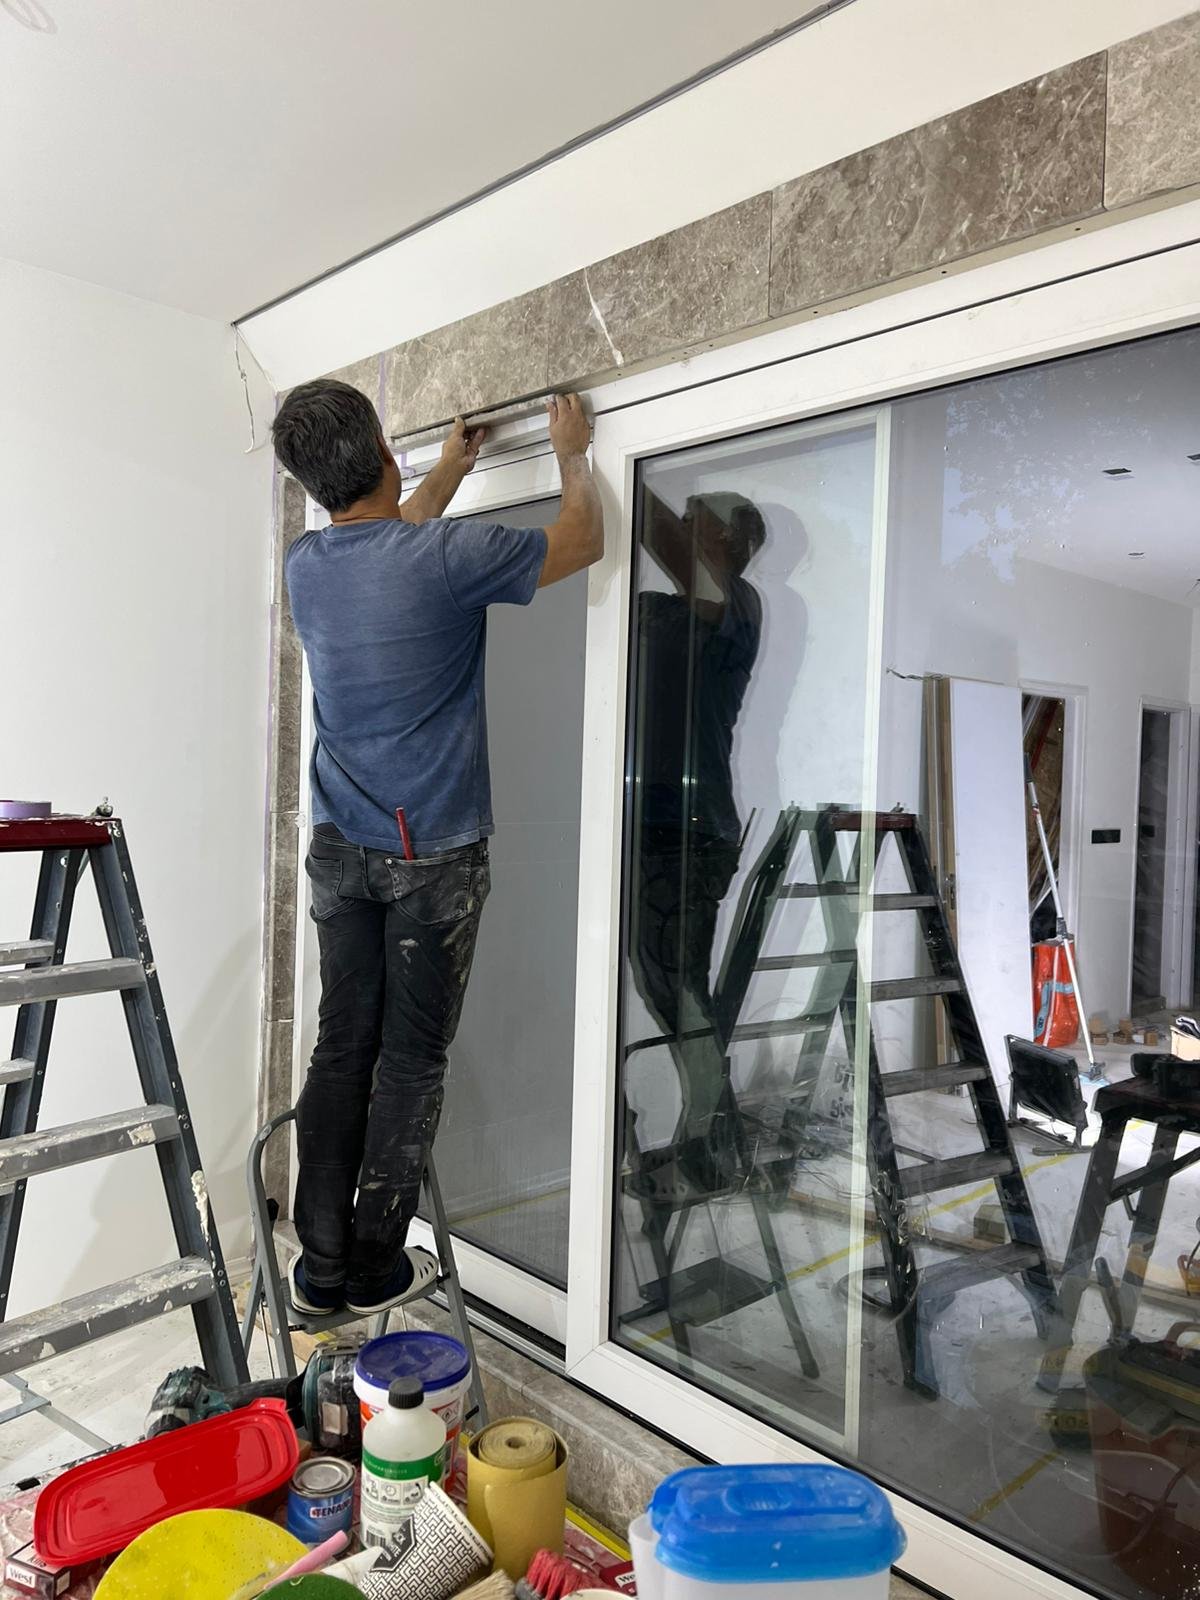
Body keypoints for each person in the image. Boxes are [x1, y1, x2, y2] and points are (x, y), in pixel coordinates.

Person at [271, 382, 602, 1317]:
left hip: (341, 849)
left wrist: (450, 471)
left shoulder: (307, 566)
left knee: (343, 1047)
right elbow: (583, 538)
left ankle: (321, 1268)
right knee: (411, 1060)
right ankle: (375, 1268)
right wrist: (572, 453)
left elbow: (386, 543)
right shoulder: (449, 558)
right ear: (382, 447)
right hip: (431, 861)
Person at [627, 489, 765, 1202]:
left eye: (698, 518)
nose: (683, 524)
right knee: (672, 991)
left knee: (679, 994)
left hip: (687, 830)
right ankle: (715, 1145)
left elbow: (673, 551)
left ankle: (713, 1152)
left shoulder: (737, 605)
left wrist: (607, 467)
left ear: (732, 545)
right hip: (660, 824)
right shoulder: (670, 610)